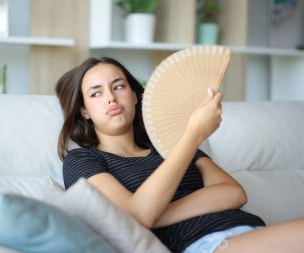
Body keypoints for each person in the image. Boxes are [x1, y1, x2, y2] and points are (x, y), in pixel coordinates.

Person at [55, 56, 304, 253]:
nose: (111, 97)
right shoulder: (83, 161)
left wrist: (155, 213)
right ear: (84, 111)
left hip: (250, 231)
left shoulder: (171, 144)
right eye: (96, 93)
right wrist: (193, 135)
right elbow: (134, 216)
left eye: (119, 86)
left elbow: (234, 193)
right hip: (203, 244)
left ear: (134, 96)